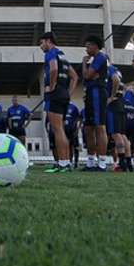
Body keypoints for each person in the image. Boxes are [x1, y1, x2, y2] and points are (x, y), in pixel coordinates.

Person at [40, 31, 79, 173]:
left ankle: (63, 163)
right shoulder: (62, 55)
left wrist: (51, 85)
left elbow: (54, 68)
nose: (41, 46)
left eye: (41, 43)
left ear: (48, 41)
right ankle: (65, 162)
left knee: (56, 129)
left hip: (55, 94)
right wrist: (68, 93)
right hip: (63, 94)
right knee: (60, 129)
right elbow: (75, 77)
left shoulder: (51, 53)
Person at [82, 36, 109, 171]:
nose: (86, 49)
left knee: (100, 127)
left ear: (95, 46)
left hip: (98, 93)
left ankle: (102, 162)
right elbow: (86, 77)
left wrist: (84, 65)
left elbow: (87, 75)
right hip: (90, 94)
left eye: (88, 46)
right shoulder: (93, 60)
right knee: (88, 128)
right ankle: (91, 161)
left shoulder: (100, 58)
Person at [106, 65, 131, 172]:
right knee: (122, 134)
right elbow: (123, 86)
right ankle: (128, 162)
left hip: (114, 105)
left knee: (116, 134)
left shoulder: (109, 69)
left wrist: (112, 96)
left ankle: (122, 163)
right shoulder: (117, 70)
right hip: (120, 103)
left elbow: (115, 79)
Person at [64, 101, 81, 168]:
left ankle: (76, 162)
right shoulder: (61, 106)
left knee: (75, 146)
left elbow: (78, 118)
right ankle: (69, 161)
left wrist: (76, 128)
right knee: (67, 146)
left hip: (73, 130)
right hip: (64, 130)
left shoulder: (73, 107)